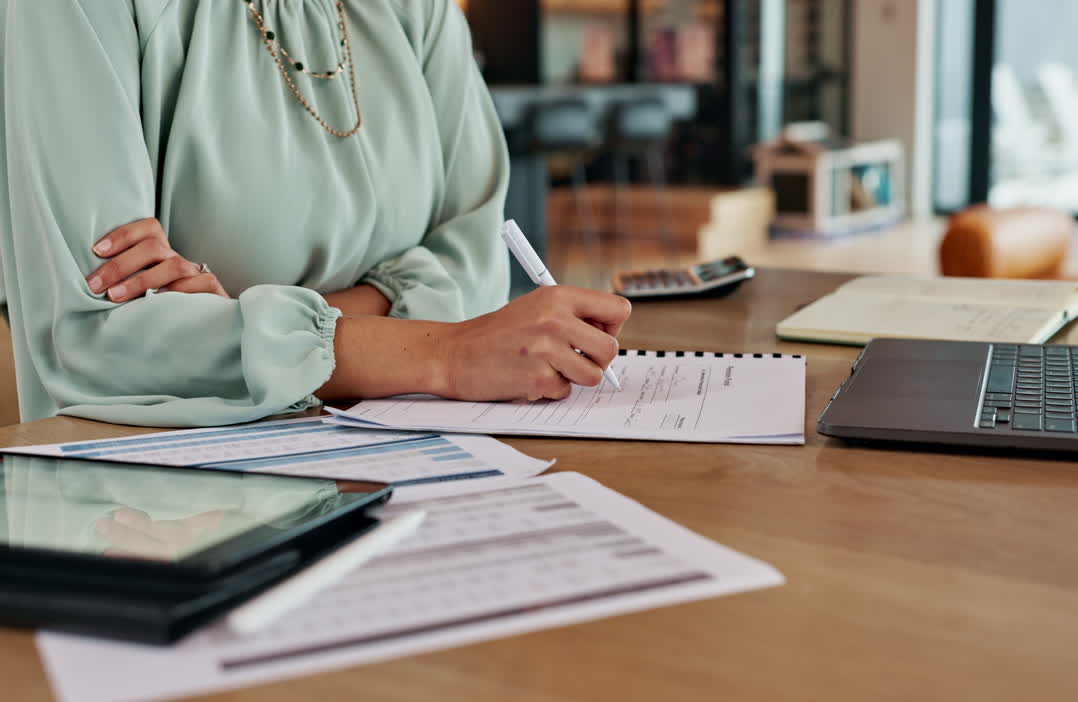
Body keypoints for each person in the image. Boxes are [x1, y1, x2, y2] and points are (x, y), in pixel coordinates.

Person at [0, 0, 630, 427]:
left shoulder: (418, 10)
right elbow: (95, 341)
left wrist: (239, 328)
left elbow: (476, 264)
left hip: (407, 454)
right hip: (155, 501)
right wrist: (445, 353)